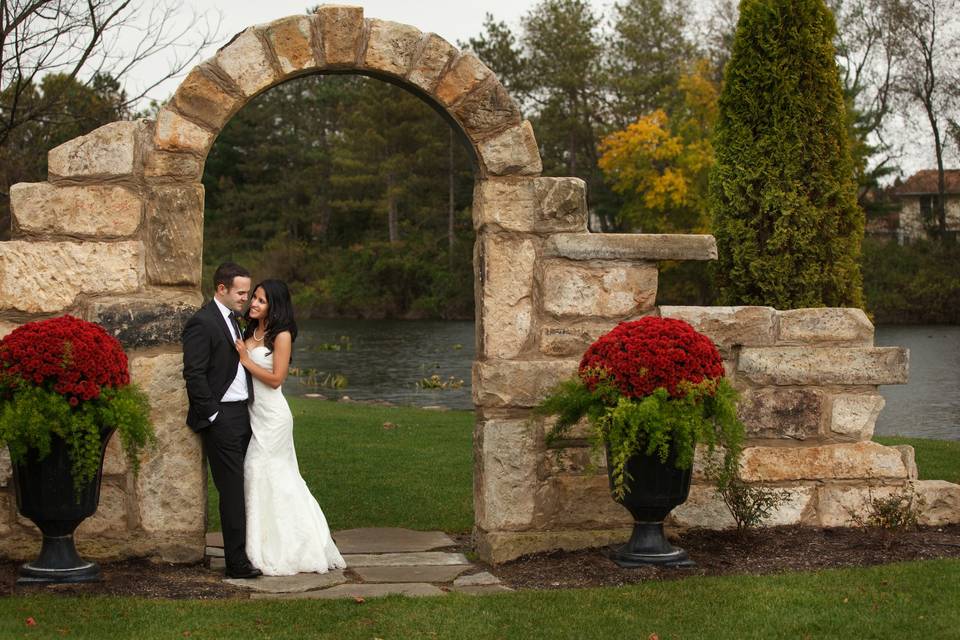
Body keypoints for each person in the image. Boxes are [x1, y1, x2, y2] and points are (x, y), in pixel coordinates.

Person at [235, 279, 346, 576]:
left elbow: (276, 379)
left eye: (261, 300)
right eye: (254, 298)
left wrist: (245, 359)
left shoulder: (281, 335)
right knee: (262, 476)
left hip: (273, 417)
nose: (254, 303)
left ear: (275, 305)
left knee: (262, 472)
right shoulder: (250, 330)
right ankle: (259, 544)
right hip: (254, 414)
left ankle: (290, 547)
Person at [182, 263, 262, 579]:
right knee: (232, 490)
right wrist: (213, 415)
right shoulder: (202, 323)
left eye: (247, 292)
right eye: (241, 292)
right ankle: (237, 564)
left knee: (249, 485)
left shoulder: (234, 320)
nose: (246, 298)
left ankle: (251, 551)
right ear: (221, 289)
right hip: (222, 418)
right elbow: (194, 373)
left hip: (244, 415)